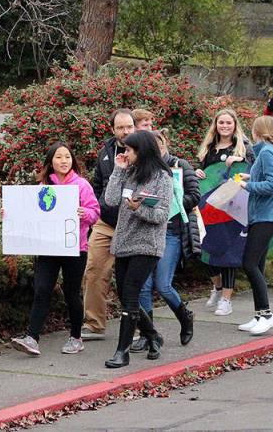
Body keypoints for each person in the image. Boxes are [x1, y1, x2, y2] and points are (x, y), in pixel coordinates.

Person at [10, 142, 100, 356]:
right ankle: (32, 338)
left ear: (73, 160)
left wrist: (83, 213)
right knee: (41, 290)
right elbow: (28, 212)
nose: (64, 161)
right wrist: (11, 214)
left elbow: (95, 212)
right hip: (48, 247)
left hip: (75, 248)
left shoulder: (82, 185)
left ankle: (76, 337)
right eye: (59, 157)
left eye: (67, 157)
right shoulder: (42, 185)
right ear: (51, 161)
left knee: (71, 293)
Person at [102, 131, 173, 368]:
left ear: (141, 151)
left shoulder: (162, 178)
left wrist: (137, 208)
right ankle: (153, 335)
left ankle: (122, 352)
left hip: (147, 245)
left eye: (129, 150)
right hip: (123, 243)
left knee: (130, 295)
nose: (125, 154)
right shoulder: (128, 172)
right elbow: (110, 200)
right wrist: (117, 170)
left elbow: (162, 214)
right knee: (124, 294)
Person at [131, 130, 200, 351]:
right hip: (147, 230)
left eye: (159, 144)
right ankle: (148, 334)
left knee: (162, 283)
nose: (156, 149)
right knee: (143, 285)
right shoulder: (141, 170)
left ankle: (184, 316)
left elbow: (195, 195)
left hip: (170, 231)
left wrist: (175, 199)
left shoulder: (179, 165)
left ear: (165, 144)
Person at [194, 108, 253, 316]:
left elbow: (253, 172)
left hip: (233, 208)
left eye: (229, 123)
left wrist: (237, 164)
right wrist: (197, 172)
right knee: (205, 250)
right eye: (221, 123)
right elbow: (205, 175)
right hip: (210, 208)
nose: (225, 126)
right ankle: (217, 288)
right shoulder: (209, 148)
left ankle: (226, 300)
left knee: (229, 253)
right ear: (216, 125)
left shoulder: (244, 147)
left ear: (235, 125)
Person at [83, 109, 136, 340]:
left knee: (131, 278)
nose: (126, 132)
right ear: (112, 129)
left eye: (129, 127)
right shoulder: (105, 152)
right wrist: (100, 206)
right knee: (94, 270)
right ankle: (94, 324)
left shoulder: (144, 150)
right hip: (106, 222)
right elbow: (97, 184)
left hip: (134, 223)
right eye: (121, 127)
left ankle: (137, 327)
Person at [235, 116, 273, 335]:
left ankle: (266, 314)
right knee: (258, 264)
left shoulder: (265, 152)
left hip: (267, 216)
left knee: (249, 263)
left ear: (255, 131)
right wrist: (248, 176)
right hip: (261, 216)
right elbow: (266, 177)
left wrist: (246, 185)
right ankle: (259, 314)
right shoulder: (268, 150)